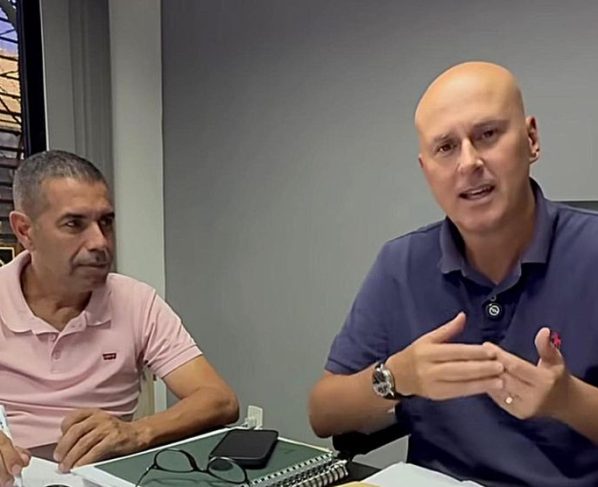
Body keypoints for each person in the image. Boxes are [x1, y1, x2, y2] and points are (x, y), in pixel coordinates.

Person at [309, 62, 598, 486]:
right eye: (445, 147)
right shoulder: (401, 264)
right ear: (426, 170)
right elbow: (323, 414)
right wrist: (397, 376)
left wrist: (567, 400)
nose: (468, 162)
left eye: (488, 134)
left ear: (531, 140)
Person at [0, 150, 239, 485]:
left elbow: (219, 399)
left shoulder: (136, 302)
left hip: (101, 478)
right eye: (74, 224)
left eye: (106, 222)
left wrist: (137, 432)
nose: (100, 242)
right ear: (25, 231)